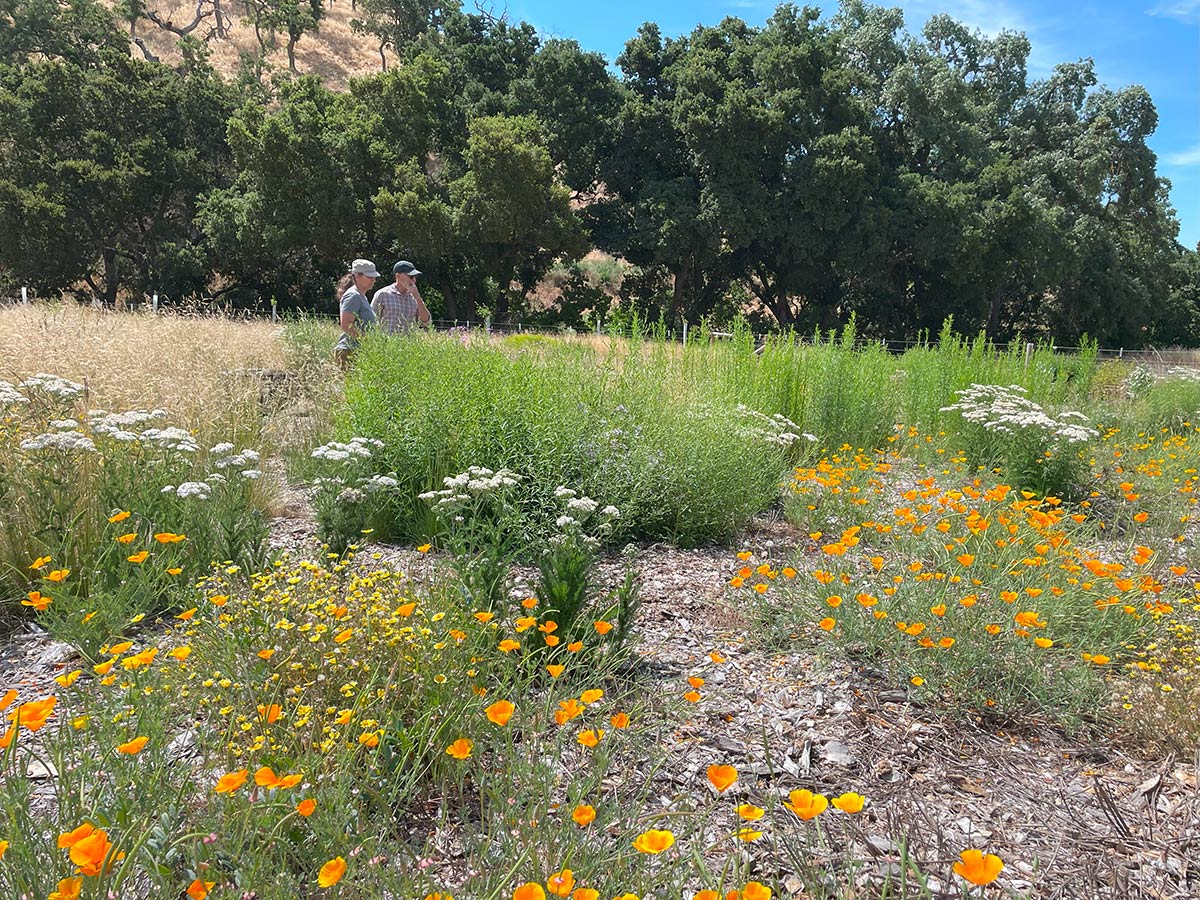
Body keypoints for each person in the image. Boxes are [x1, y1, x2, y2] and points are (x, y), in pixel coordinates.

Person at [334, 259, 380, 369]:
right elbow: (346, 325)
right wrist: (368, 340)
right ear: (357, 276)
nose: (373, 280)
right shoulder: (353, 296)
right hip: (349, 351)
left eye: (374, 277)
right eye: (369, 276)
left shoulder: (361, 296)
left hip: (358, 350)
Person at [371, 260, 432, 334]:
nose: (414, 280)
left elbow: (426, 322)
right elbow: (371, 319)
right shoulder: (383, 294)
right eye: (411, 277)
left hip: (408, 341)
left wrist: (418, 298)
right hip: (386, 340)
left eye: (415, 277)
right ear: (398, 276)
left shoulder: (415, 297)